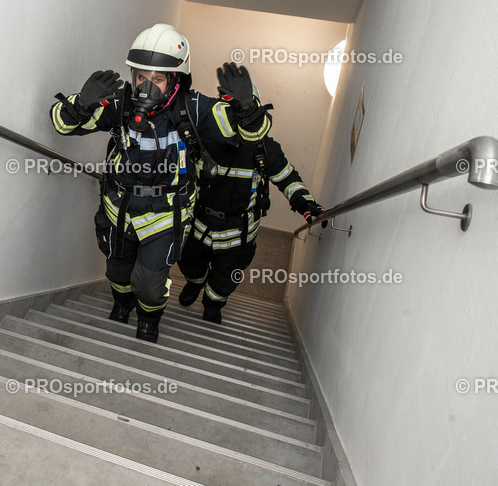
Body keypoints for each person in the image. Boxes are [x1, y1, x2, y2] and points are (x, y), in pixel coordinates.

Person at [50, 23, 271, 343]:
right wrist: (80, 105)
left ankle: (149, 318)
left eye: (158, 78)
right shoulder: (121, 104)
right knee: (117, 272)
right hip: (120, 208)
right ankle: (122, 303)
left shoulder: (194, 108)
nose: (146, 86)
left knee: (151, 282)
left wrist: (248, 109)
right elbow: (62, 124)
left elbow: (248, 134)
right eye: (141, 76)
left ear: (176, 79)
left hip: (167, 214)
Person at [176, 133, 325, 323]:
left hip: (238, 232)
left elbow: (287, 177)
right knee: (189, 262)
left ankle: (213, 303)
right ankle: (195, 283)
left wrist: (305, 203)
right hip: (200, 222)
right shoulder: (202, 137)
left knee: (226, 279)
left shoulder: (264, 148)